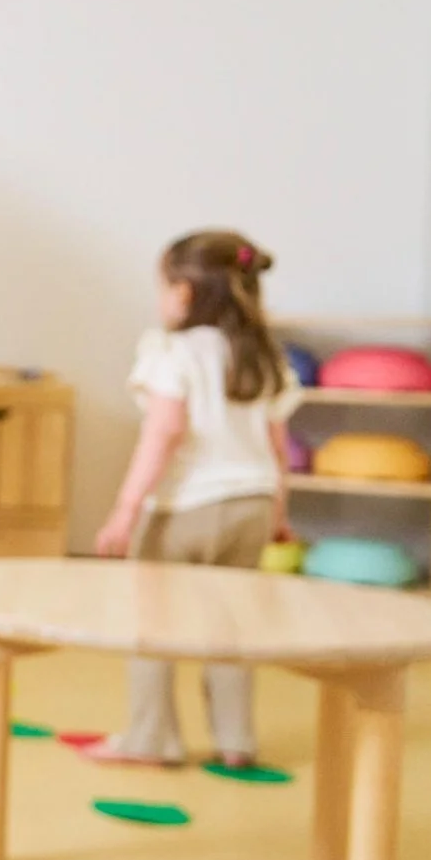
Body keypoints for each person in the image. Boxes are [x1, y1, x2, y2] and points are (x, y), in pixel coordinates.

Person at [87, 231, 298, 770]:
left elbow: (164, 432)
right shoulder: (263, 355)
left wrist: (125, 510)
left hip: (188, 508)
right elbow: (278, 446)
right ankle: (236, 740)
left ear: (183, 293)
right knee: (231, 625)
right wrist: (279, 514)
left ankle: (151, 737)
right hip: (252, 504)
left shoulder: (173, 352)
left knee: (152, 621)